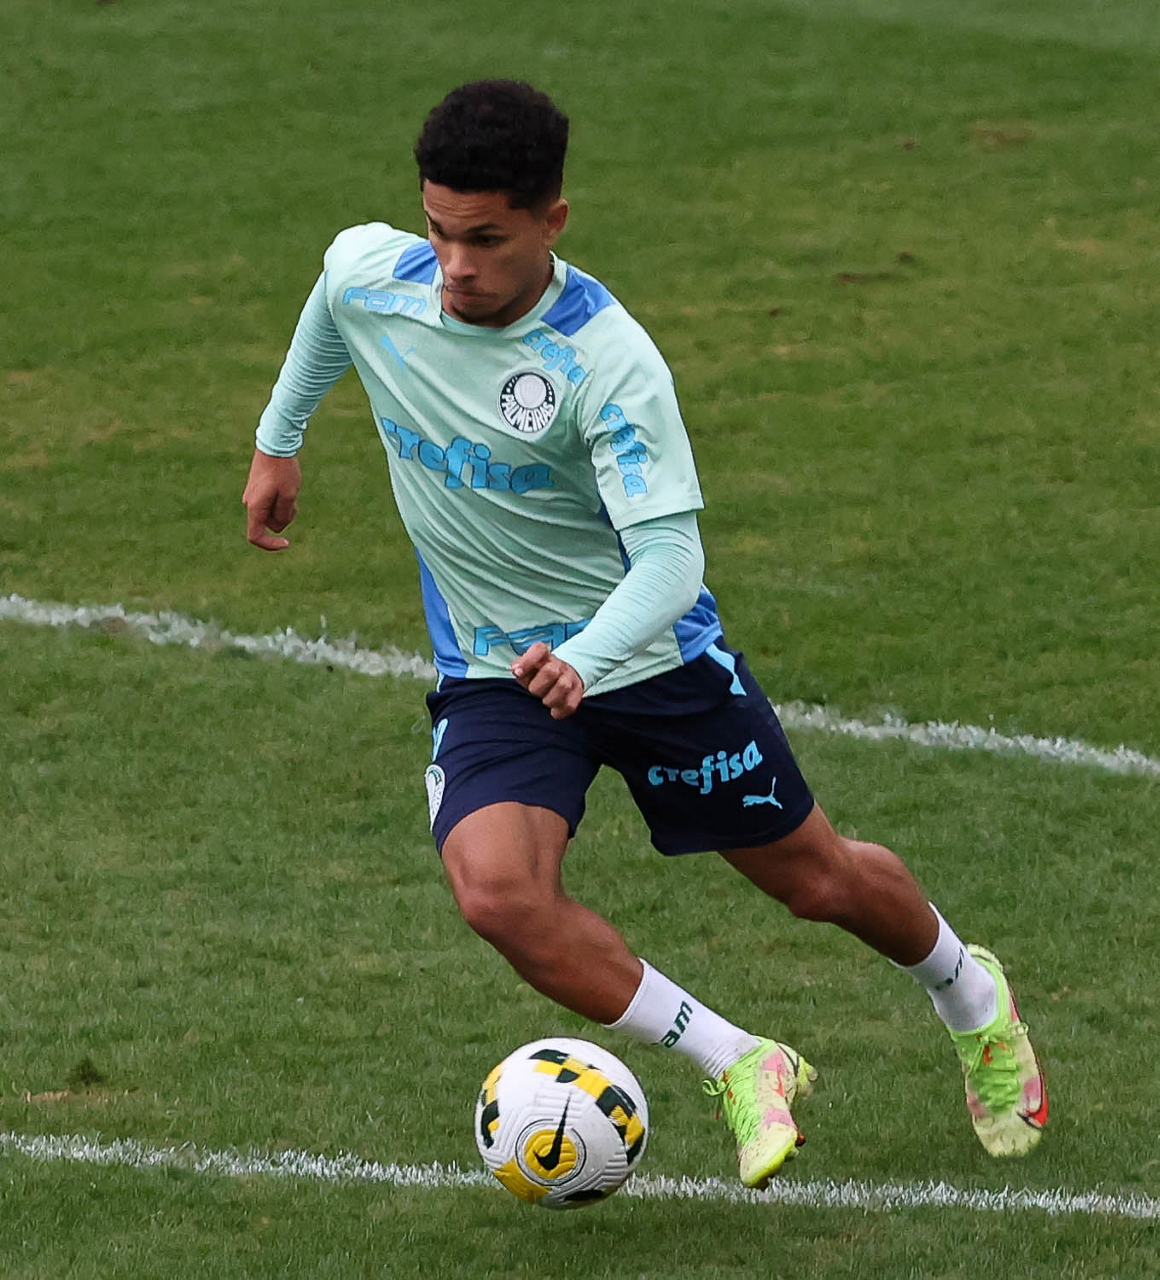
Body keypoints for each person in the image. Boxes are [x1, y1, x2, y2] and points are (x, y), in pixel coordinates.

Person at [243, 79, 1047, 1187]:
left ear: (552, 222)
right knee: (497, 894)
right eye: (438, 230)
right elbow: (333, 301)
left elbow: (671, 562)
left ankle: (970, 995)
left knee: (816, 880)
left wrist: (585, 656)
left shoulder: (606, 362)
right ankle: (740, 1060)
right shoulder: (379, 276)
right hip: (495, 669)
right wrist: (278, 441)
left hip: (650, 664)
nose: (454, 265)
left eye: (486, 239)